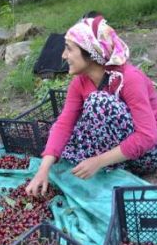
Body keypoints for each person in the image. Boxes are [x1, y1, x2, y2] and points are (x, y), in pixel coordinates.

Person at [26, 13, 157, 196]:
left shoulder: (129, 78)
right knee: (69, 136)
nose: (64, 55)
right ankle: (108, 165)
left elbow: (147, 136)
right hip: (115, 145)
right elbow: (64, 123)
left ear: (91, 53)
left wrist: (98, 161)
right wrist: (43, 169)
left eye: (69, 49)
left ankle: (112, 167)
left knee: (98, 102)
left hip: (146, 154)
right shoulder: (80, 81)